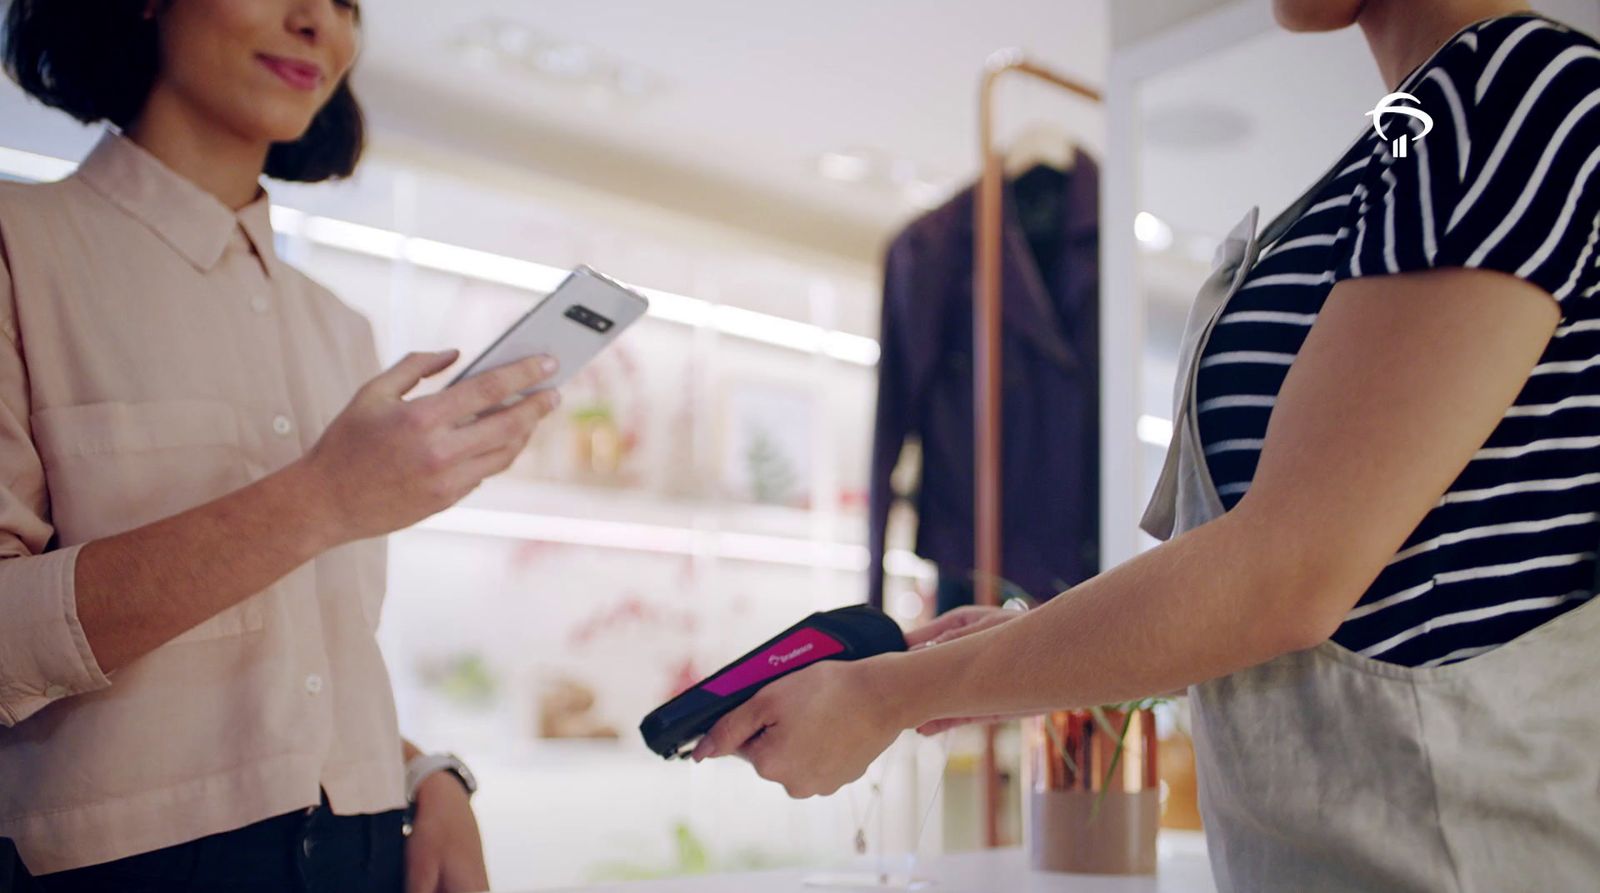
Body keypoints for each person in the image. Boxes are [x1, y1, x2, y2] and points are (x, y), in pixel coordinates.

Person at [696, 1, 1600, 889]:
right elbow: (1375, 589)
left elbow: (1287, 572)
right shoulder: (1407, 135)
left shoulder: (1509, 93)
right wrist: (1026, 648)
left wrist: (890, 693)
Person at [0, 1, 562, 890]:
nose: (317, 24)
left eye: (345, 4)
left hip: (369, 844)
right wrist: (322, 499)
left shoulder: (340, 328)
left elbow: (301, 663)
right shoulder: (17, 245)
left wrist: (422, 772)